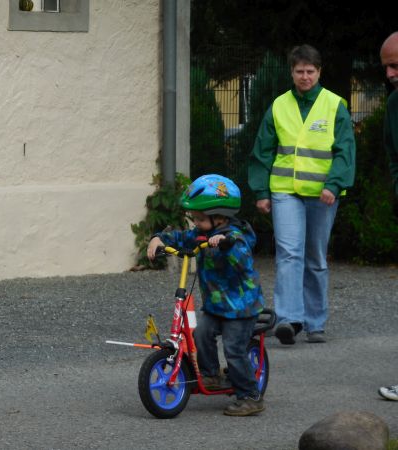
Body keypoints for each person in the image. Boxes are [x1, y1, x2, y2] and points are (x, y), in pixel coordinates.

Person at [247, 44, 356, 345]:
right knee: (289, 254)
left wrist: (334, 184)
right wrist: (261, 191)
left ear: (319, 72)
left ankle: (315, 322)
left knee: (315, 257)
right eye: (299, 71)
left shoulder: (335, 105)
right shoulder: (279, 105)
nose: (305, 76)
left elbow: (345, 150)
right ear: (291, 72)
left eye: (310, 71)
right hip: (285, 191)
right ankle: (289, 320)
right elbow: (262, 151)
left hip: (323, 195)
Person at [147, 174, 266, 416]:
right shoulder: (202, 233)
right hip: (216, 305)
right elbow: (183, 237)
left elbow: (242, 257)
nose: (196, 223)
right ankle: (211, 375)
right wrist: (159, 239)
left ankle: (251, 396)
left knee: (233, 348)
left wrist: (226, 243)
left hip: (241, 308)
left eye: (200, 218)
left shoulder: (237, 237)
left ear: (220, 216)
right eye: (195, 218)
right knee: (201, 334)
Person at [378, 31, 398, 402]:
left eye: (395, 65)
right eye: (386, 68)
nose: (391, 73)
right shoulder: (394, 106)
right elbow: (393, 155)